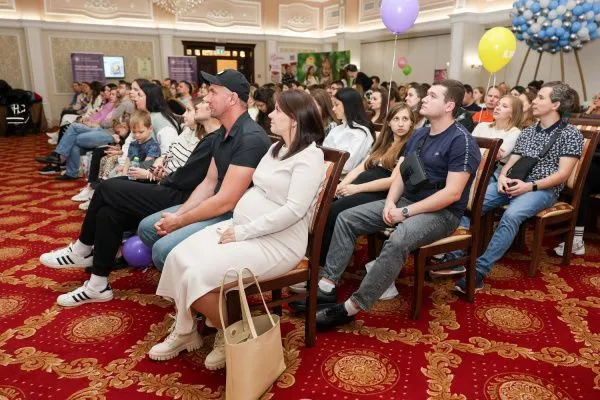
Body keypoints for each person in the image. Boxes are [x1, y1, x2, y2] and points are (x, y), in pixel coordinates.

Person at [148, 90, 326, 369]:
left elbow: (294, 211)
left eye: (277, 110)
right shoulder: (277, 148)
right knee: (177, 257)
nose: (270, 114)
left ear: (294, 119)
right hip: (246, 228)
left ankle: (234, 332)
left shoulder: (309, 157)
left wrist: (244, 231)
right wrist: (241, 225)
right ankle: (186, 330)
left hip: (278, 242)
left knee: (198, 275)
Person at [312, 80, 481, 330]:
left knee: (399, 239)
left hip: (442, 213)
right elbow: (402, 173)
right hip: (406, 201)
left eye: (432, 95)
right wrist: (390, 202)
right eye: (426, 94)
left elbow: (452, 194)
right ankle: (326, 286)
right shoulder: (420, 135)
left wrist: (404, 211)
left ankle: (351, 307)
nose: (424, 99)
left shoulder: (462, 142)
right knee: (346, 218)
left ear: (449, 106)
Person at [454, 82, 584, 294]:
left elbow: (562, 174)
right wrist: (503, 177)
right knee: (468, 202)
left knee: (512, 215)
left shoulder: (570, 134)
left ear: (555, 105)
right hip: (514, 182)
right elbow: (513, 161)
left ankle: (479, 271)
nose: (534, 101)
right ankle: (455, 256)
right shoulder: (528, 130)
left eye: (540, 97)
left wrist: (529, 186)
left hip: (542, 189)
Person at [136, 70, 271, 271]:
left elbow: (226, 201)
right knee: (147, 228)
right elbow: (209, 183)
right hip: (217, 204)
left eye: (213, 92)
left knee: (162, 251)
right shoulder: (223, 131)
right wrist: (178, 216)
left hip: (236, 215)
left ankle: (198, 282)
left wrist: (179, 222)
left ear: (232, 99)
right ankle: (184, 273)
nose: (206, 99)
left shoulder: (250, 138)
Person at [431, 94, 524, 277]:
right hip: (469, 171)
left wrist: (475, 152)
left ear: (513, 114)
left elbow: (493, 156)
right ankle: (439, 243)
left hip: (493, 177)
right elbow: (465, 148)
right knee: (440, 193)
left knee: (467, 205)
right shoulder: (482, 126)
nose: (497, 107)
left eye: (504, 106)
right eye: (498, 104)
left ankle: (454, 257)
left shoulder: (515, 133)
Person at [319, 103, 416, 265]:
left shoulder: (409, 145)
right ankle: (321, 256)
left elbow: (392, 181)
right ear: (389, 122)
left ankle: (323, 264)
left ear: (412, 122)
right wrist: (341, 185)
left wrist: (356, 188)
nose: (400, 124)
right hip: (362, 187)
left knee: (333, 211)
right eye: (396, 119)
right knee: (325, 204)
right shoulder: (384, 142)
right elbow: (361, 167)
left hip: (381, 193)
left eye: (405, 119)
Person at [323, 88, 374, 175]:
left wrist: (326, 161)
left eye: (336, 105)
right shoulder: (337, 129)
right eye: (333, 105)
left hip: (341, 178)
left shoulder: (361, 133)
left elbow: (346, 166)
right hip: (326, 171)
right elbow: (323, 152)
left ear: (348, 106)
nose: (333, 109)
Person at [121, 110, 161, 180]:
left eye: (141, 132)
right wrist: (124, 173)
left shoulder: (153, 146)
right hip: (131, 174)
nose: (137, 135)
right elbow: (128, 159)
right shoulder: (133, 144)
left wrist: (130, 174)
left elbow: (146, 165)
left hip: (143, 177)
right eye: (134, 132)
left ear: (150, 129)